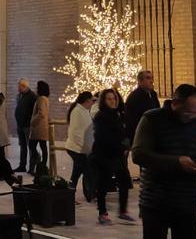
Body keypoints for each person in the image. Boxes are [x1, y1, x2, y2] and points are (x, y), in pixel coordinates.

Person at [132, 83, 196, 238]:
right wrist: (177, 162)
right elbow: (138, 154)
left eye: (195, 113)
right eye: (187, 113)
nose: (191, 117)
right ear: (175, 104)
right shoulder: (152, 119)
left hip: (186, 202)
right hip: (156, 202)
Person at [90, 88, 133, 225]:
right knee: (103, 184)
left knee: (124, 181)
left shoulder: (119, 114)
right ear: (104, 100)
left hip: (118, 155)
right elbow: (103, 136)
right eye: (109, 99)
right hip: (105, 155)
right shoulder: (101, 116)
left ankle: (123, 210)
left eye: (114, 98)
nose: (112, 101)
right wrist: (119, 146)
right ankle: (102, 213)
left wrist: (126, 146)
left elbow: (125, 132)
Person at [64, 91, 94, 201]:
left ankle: (70, 194)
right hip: (76, 148)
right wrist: (86, 146)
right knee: (87, 171)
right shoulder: (77, 112)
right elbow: (75, 132)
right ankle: (90, 194)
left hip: (81, 148)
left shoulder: (84, 111)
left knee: (76, 173)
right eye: (92, 101)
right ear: (87, 101)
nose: (92, 103)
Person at [125, 70, 160, 145]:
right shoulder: (134, 97)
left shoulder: (153, 94)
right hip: (141, 134)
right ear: (140, 81)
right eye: (148, 78)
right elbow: (131, 119)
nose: (151, 81)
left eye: (151, 78)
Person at [13, 79, 36, 173]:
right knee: (23, 146)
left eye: (19, 86)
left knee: (30, 147)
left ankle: (32, 167)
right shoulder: (19, 96)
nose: (17, 88)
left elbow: (33, 111)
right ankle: (22, 165)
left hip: (27, 125)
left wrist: (29, 122)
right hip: (20, 125)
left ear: (24, 86)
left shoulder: (32, 96)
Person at [29, 81, 51, 173]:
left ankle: (40, 164)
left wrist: (33, 121)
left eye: (37, 87)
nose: (36, 89)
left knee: (32, 146)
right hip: (43, 126)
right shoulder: (46, 98)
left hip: (38, 127)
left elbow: (41, 113)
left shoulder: (41, 99)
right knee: (43, 146)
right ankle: (43, 166)